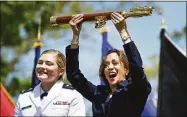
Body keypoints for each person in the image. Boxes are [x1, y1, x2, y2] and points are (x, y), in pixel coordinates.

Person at [66, 12, 152, 117]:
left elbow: (137, 67)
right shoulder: (98, 93)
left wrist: (123, 31)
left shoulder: (135, 90)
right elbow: (73, 75)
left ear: (126, 70)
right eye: (106, 65)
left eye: (115, 63)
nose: (110, 67)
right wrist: (75, 36)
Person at [14, 49, 86, 116]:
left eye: (48, 64)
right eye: (40, 63)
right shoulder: (24, 97)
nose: (42, 66)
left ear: (61, 71)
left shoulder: (73, 95)